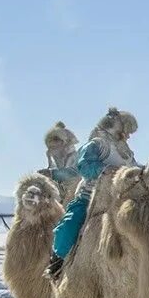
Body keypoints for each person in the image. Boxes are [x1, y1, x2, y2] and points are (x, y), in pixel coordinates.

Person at [46, 108, 139, 280]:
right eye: (126, 130)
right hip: (90, 198)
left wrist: (148, 172)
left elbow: (136, 170)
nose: (128, 136)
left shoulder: (127, 154)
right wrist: (103, 170)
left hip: (117, 201)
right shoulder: (98, 145)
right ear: (117, 128)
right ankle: (57, 262)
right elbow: (84, 165)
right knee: (69, 226)